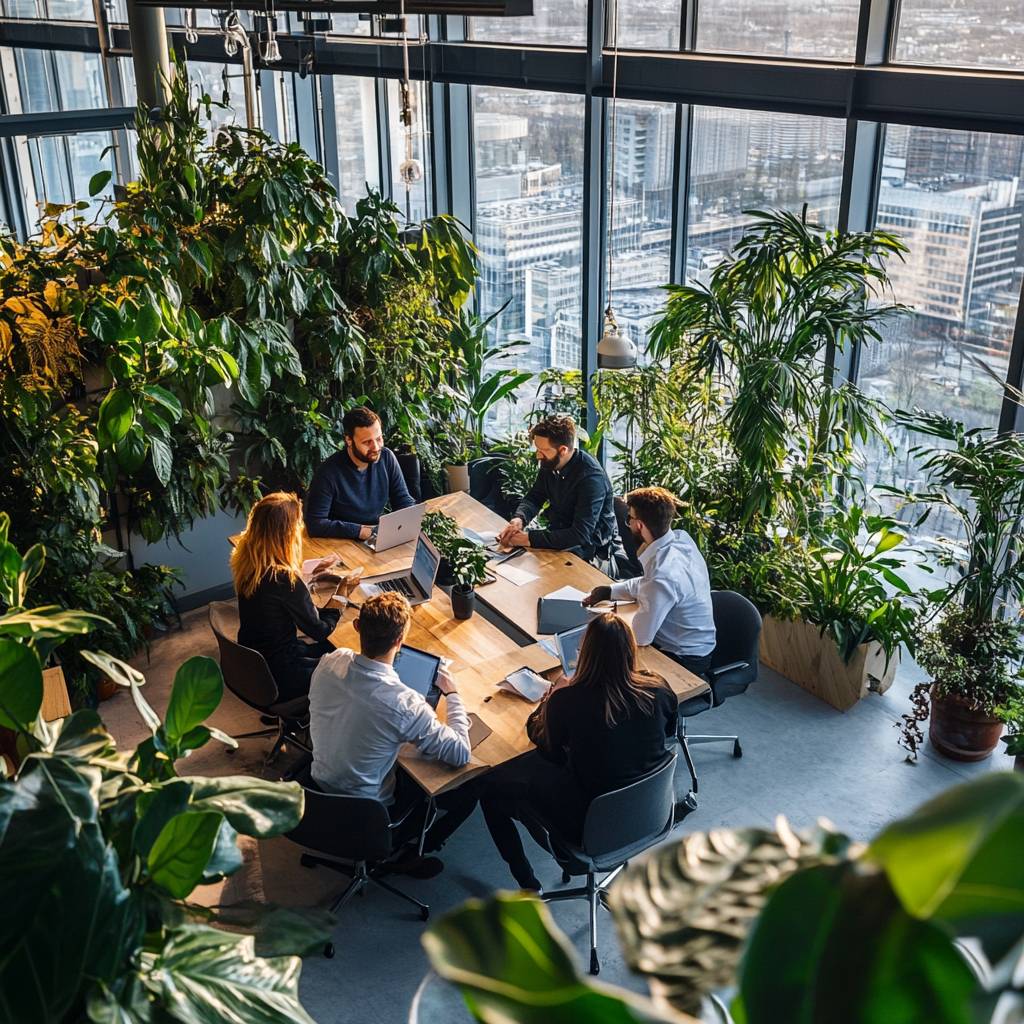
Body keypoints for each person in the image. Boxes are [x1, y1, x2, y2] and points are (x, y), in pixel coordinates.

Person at [478, 614, 677, 891]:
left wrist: (550, 700)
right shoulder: (658, 688)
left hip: (587, 822)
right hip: (647, 812)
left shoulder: (570, 700)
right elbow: (668, 733)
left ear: (588, 656)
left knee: (490, 788)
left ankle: (528, 883)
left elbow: (547, 751)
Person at [308, 591, 472, 871]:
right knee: (469, 788)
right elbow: (460, 753)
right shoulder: (404, 704)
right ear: (400, 640)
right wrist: (453, 694)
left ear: (357, 627)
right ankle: (409, 854)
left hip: (317, 788)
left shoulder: (329, 661)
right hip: (369, 812)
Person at [584, 486, 716, 679]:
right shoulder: (681, 541)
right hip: (693, 643)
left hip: (684, 658)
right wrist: (608, 591)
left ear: (639, 525)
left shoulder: (663, 574)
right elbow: (647, 584)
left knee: (605, 664)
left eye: (629, 518)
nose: (627, 523)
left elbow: (641, 636)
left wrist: (605, 621)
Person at [231, 492, 341, 701]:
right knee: (347, 661)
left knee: (329, 650)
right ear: (286, 535)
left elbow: (275, 595)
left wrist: (304, 577)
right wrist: (341, 596)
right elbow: (319, 630)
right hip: (283, 674)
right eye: (298, 526)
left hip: (257, 664)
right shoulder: (284, 579)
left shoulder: (247, 562)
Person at [495, 414, 619, 566]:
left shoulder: (591, 479)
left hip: (592, 551)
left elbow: (580, 535)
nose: (538, 455)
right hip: (559, 538)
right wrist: (519, 519)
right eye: (537, 449)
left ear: (563, 450)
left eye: (543, 450)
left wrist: (528, 538)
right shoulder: (551, 463)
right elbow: (535, 496)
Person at [305, 406, 415, 539]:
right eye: (367, 442)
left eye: (379, 439)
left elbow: (403, 501)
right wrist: (361, 531)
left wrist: (408, 525)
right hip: (339, 543)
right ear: (349, 440)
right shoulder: (328, 473)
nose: (375, 447)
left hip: (374, 538)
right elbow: (315, 524)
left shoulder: (387, 458)